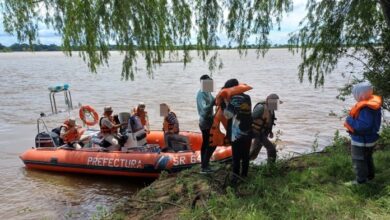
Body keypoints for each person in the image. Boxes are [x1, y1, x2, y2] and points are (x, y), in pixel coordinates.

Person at [344, 82, 382, 185]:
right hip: (369, 139)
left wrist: (349, 120)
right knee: (367, 157)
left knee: (359, 160)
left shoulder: (366, 109)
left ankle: (361, 181)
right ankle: (370, 176)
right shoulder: (372, 106)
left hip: (362, 140)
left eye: (355, 94)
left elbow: (363, 126)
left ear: (360, 95)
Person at [222, 79, 252, 184]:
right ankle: (245, 176)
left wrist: (226, 103)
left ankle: (235, 178)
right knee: (245, 156)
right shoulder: (247, 97)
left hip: (237, 134)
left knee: (236, 157)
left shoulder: (234, 98)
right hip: (248, 131)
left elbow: (227, 115)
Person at [249, 94, 280, 163]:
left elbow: (269, 121)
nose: (275, 105)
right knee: (271, 149)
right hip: (256, 132)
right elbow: (250, 119)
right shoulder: (260, 107)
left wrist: (270, 131)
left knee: (254, 152)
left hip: (262, 132)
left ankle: (244, 163)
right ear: (268, 100)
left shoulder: (271, 109)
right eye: (274, 102)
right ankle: (270, 168)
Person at [196, 74, 216, 173]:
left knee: (208, 143)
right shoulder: (201, 94)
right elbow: (204, 109)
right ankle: (204, 166)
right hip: (204, 122)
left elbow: (214, 100)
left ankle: (205, 164)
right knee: (210, 143)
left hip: (210, 121)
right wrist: (212, 103)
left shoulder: (208, 92)